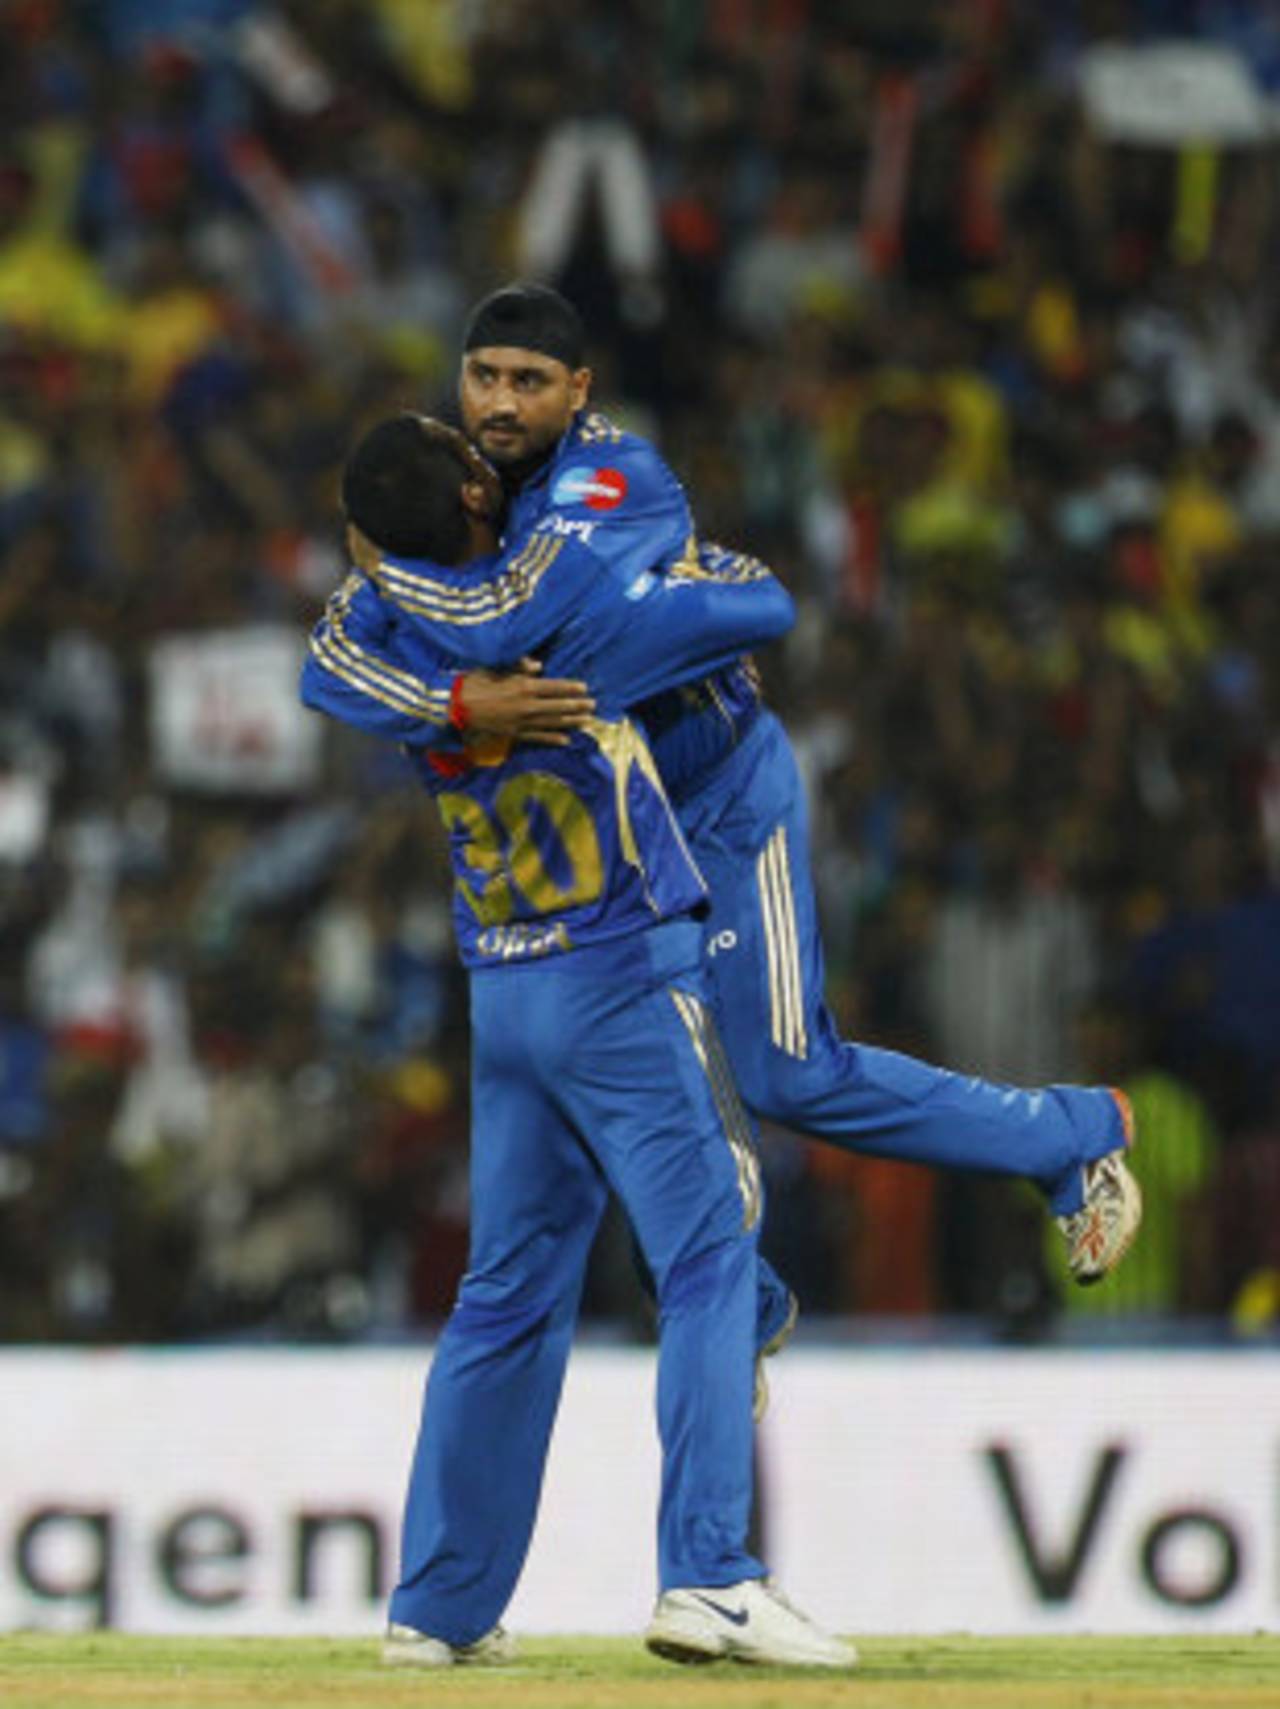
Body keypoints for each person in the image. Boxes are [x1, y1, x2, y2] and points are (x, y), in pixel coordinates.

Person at [371, 283, 1143, 1315]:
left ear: (578, 391)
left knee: (785, 1072)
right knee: (608, 1076)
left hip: (716, 800)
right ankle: (746, 1305)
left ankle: (1071, 1133)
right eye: (484, 377)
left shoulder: (607, 475)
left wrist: (381, 577)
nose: (501, 402)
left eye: (529, 381)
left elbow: (509, 617)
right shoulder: (459, 486)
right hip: (612, 842)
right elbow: (346, 661)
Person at [300, 413, 856, 1670]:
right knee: (712, 1251)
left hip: (501, 986)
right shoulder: (579, 598)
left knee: (501, 1293)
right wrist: (691, 565)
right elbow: (758, 609)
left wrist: (436, 667)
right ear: (469, 487)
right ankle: (710, 1575)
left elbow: (320, 661)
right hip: (618, 973)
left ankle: (435, 1608)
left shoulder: (385, 626)